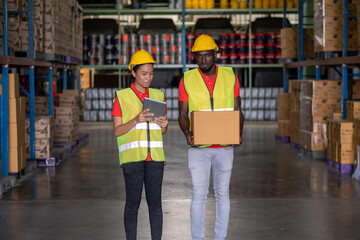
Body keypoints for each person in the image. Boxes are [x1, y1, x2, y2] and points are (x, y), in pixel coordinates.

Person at [178, 34, 244, 240]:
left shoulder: (230, 76)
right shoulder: (187, 79)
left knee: (223, 194)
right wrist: (187, 132)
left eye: (207, 55)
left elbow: (237, 109)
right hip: (199, 148)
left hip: (225, 146)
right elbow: (182, 114)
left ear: (216, 54)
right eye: (199, 56)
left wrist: (238, 133)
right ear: (194, 57)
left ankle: (220, 238)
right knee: (199, 195)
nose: (203, 60)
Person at [112, 50, 168, 240]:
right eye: (144, 73)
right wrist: (136, 119)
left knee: (156, 205)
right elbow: (117, 130)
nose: (148, 78)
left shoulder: (158, 96)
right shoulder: (122, 97)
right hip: (133, 159)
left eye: (151, 73)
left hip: (155, 160)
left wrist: (165, 126)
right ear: (133, 72)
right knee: (132, 204)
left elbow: (160, 131)